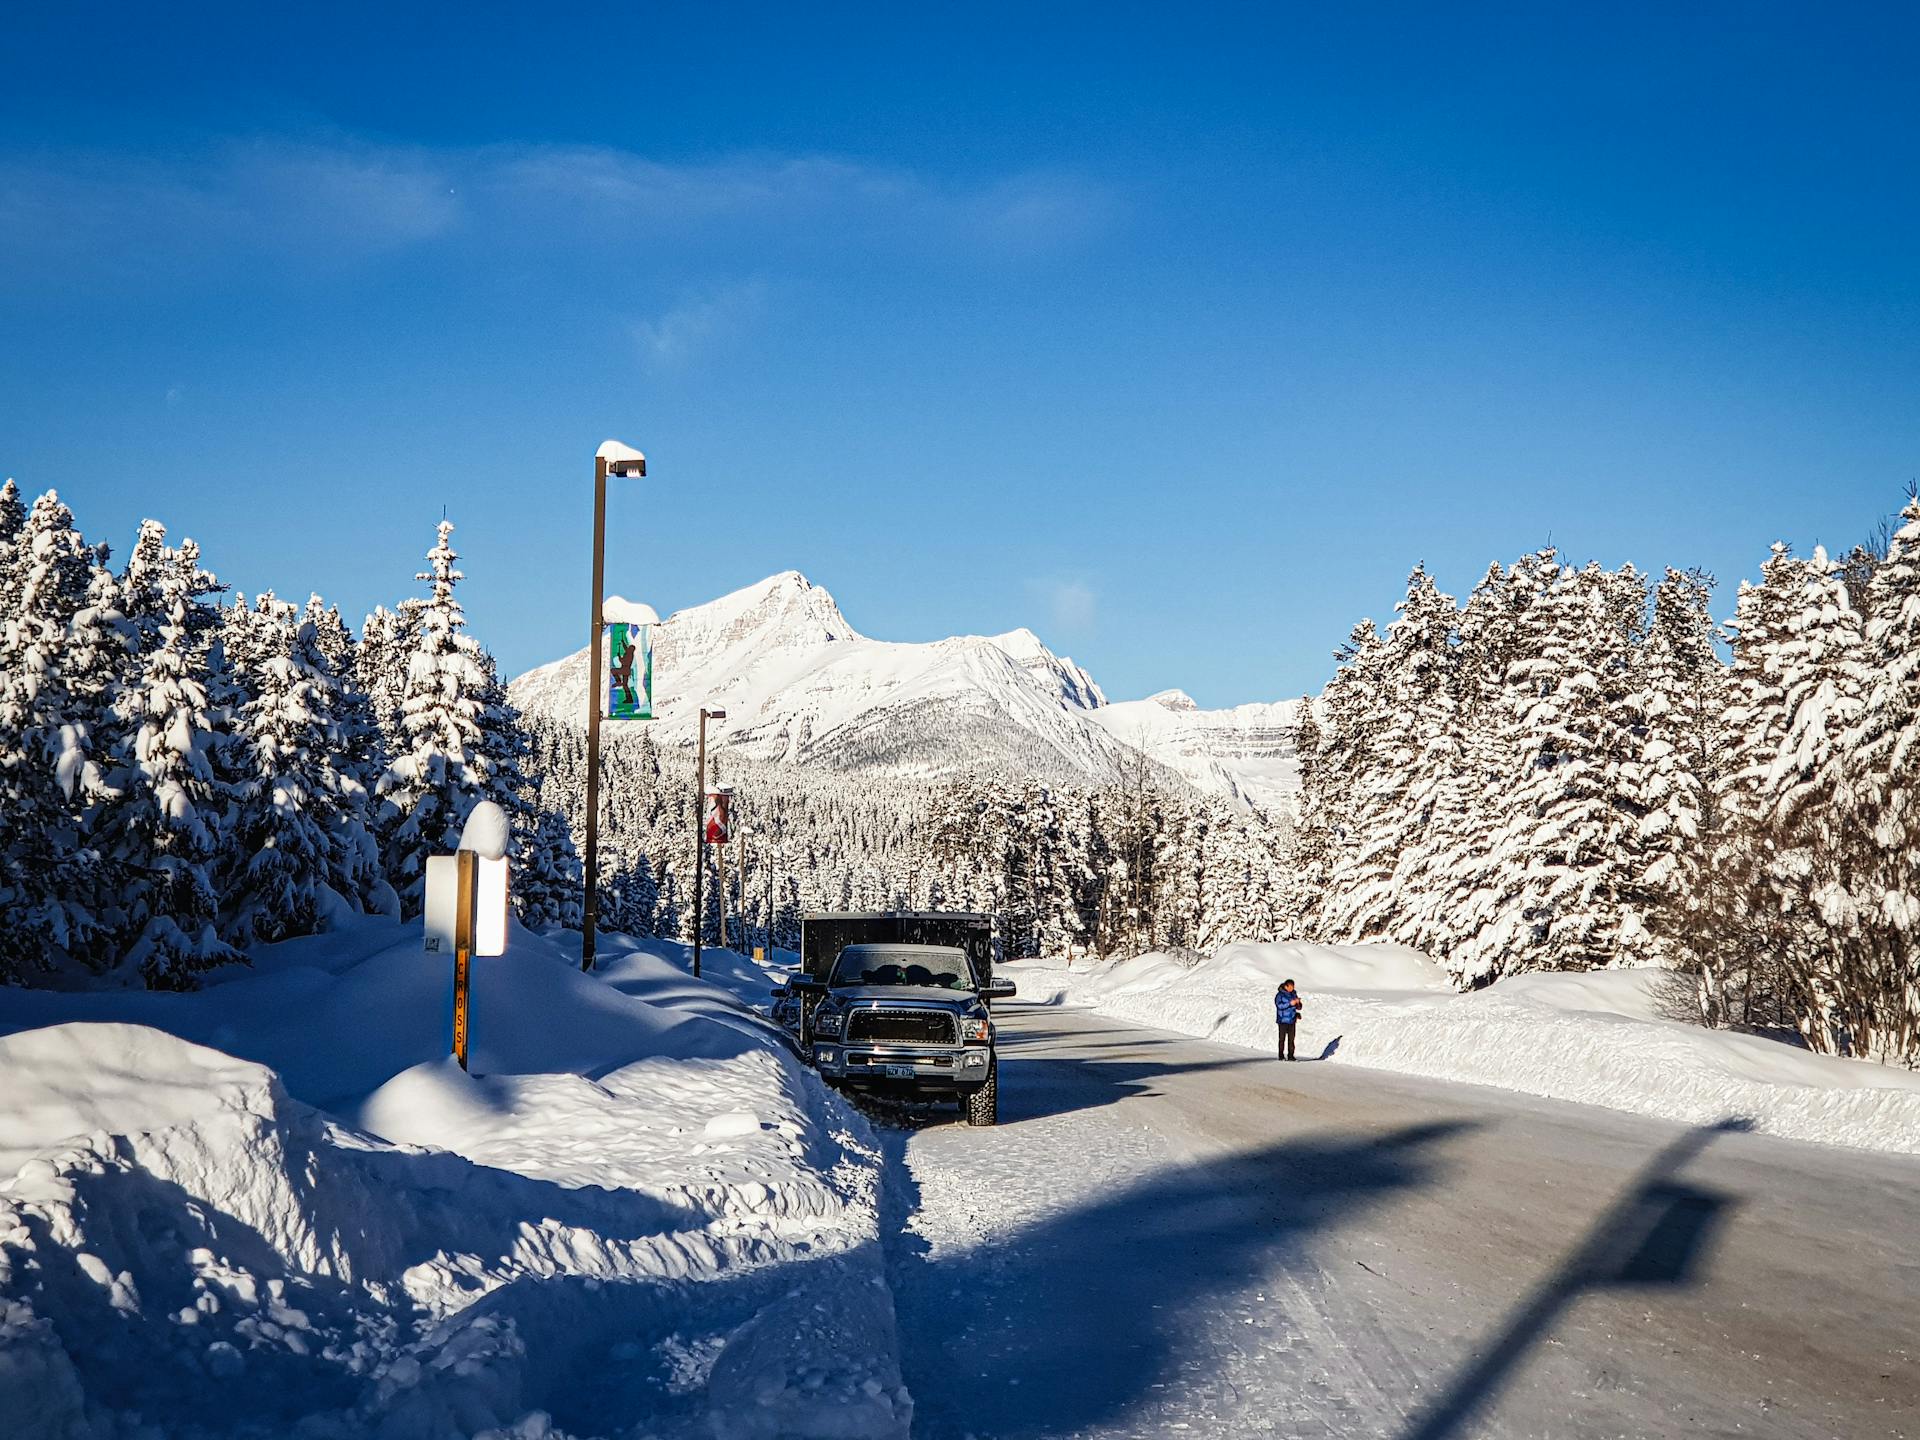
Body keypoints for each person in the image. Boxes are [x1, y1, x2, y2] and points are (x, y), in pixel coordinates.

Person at [1274, 978, 1304, 1060]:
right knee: (1282, 1039)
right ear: (1286, 986)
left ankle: (1291, 1056)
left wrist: (1298, 1003)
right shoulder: (1279, 995)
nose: (1292, 989)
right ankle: (1281, 1056)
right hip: (1282, 1020)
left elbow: (1299, 1007)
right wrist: (1290, 1003)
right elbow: (1279, 1006)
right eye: (1290, 987)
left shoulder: (1294, 994)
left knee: (1291, 1039)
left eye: (1293, 987)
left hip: (1292, 1020)